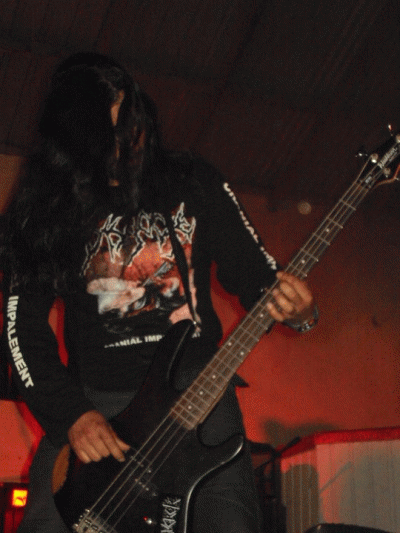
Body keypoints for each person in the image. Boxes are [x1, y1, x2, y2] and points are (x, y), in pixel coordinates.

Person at [2, 52, 317, 533]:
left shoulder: (193, 181)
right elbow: (21, 329)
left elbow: (258, 276)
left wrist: (301, 311)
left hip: (200, 397)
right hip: (99, 405)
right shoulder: (47, 207)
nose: (124, 145)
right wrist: (72, 416)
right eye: (105, 136)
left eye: (129, 126)